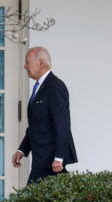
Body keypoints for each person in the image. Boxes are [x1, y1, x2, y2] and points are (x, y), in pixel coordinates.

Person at [12, 46, 78, 184]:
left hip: (51, 160)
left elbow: (62, 124)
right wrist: (22, 150)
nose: (25, 66)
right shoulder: (40, 87)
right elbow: (37, 125)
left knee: (30, 200)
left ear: (41, 63)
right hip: (41, 157)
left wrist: (59, 157)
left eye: (27, 62)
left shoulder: (55, 86)